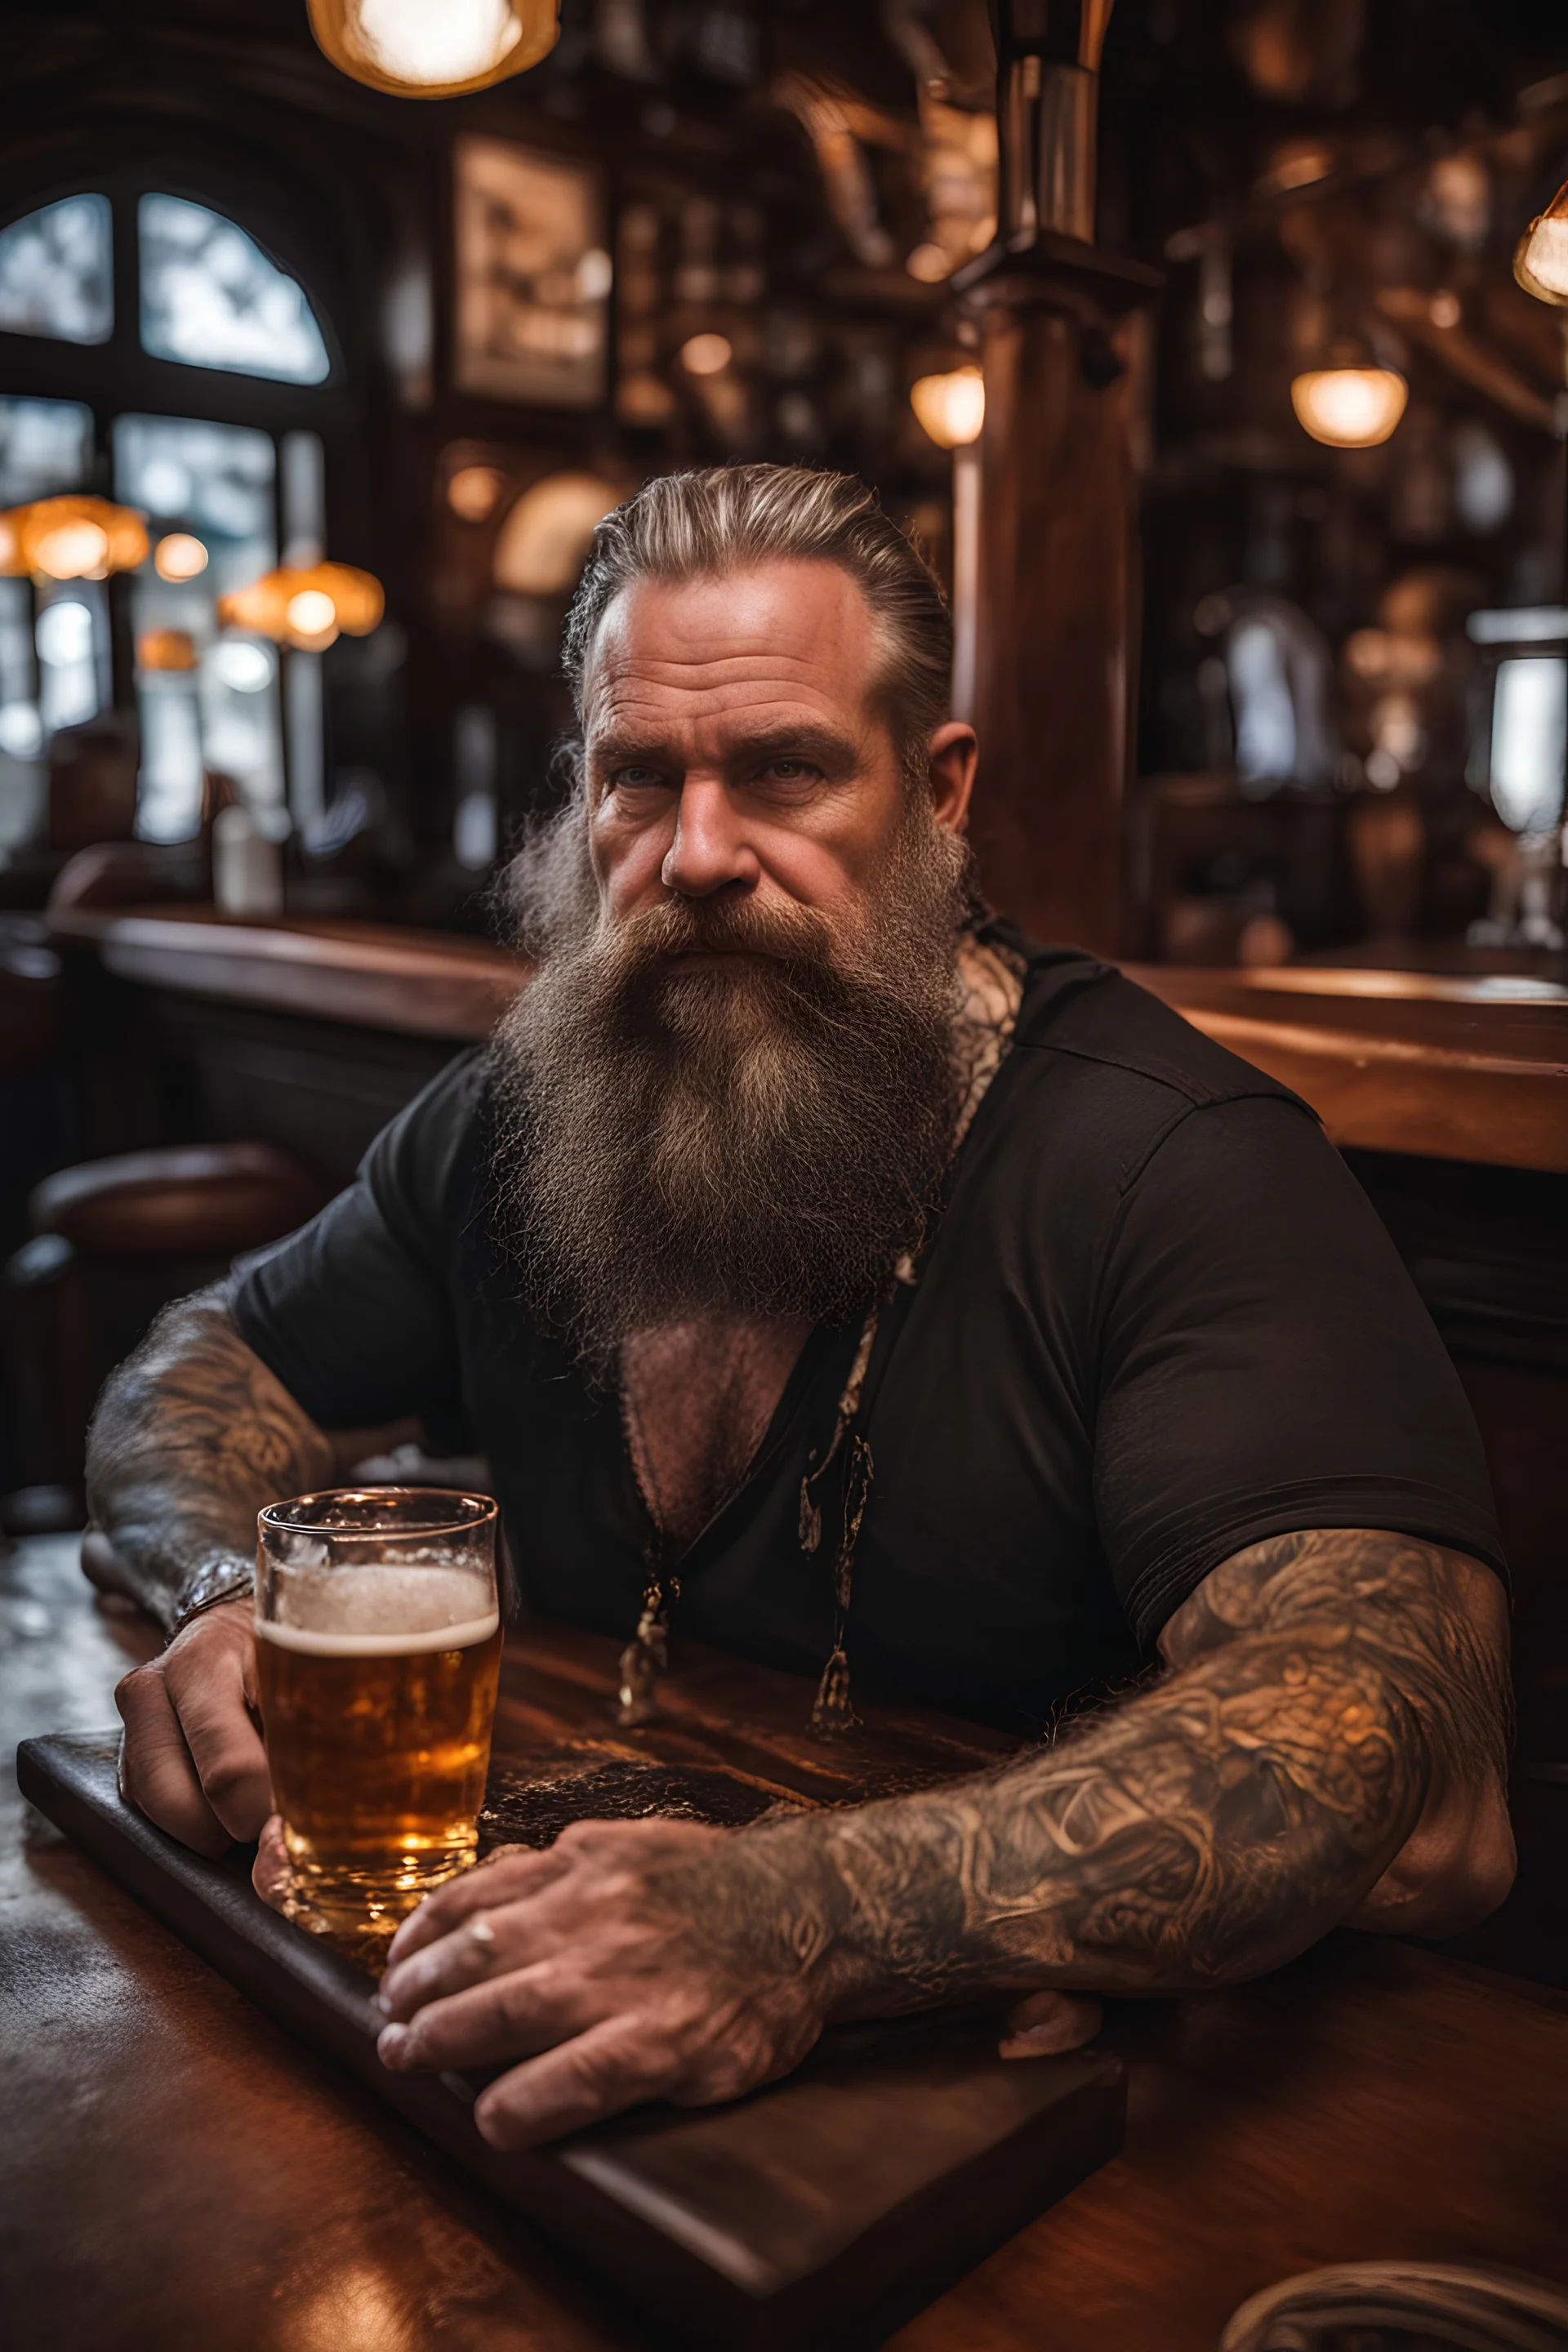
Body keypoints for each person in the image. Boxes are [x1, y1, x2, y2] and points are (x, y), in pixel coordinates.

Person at [87, 465, 1514, 2154]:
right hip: (535, 2053)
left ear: (938, 787)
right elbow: (197, 1368)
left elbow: (1387, 1745)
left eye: (784, 772)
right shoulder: (517, 1121)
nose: (698, 857)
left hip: (1072, 2143)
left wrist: (811, 1920)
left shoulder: (1171, 1161)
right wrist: (226, 1599)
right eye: (639, 781)